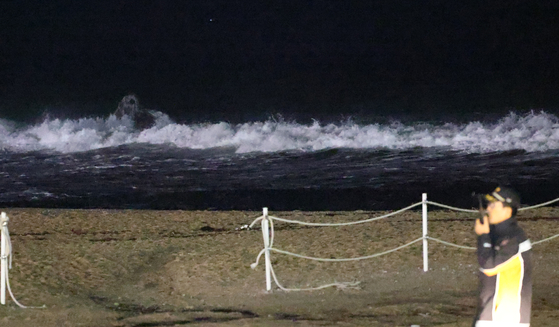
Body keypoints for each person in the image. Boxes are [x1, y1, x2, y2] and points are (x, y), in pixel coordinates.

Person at [473, 186, 532, 326]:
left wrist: (483, 237)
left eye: (493, 205)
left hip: (506, 317)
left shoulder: (514, 238)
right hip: (491, 313)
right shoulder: (500, 235)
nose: (488, 209)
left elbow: (489, 268)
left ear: (507, 209)